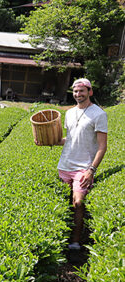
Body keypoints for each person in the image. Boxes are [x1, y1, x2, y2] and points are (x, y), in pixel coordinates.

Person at [38, 78, 108, 250]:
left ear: (90, 92)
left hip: (82, 168)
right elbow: (69, 140)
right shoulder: (69, 113)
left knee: (78, 203)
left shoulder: (99, 114)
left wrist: (91, 170)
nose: (78, 94)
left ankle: (75, 242)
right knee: (63, 203)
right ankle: (59, 241)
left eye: (82, 91)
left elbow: (102, 146)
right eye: (75, 91)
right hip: (65, 165)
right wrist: (48, 141)